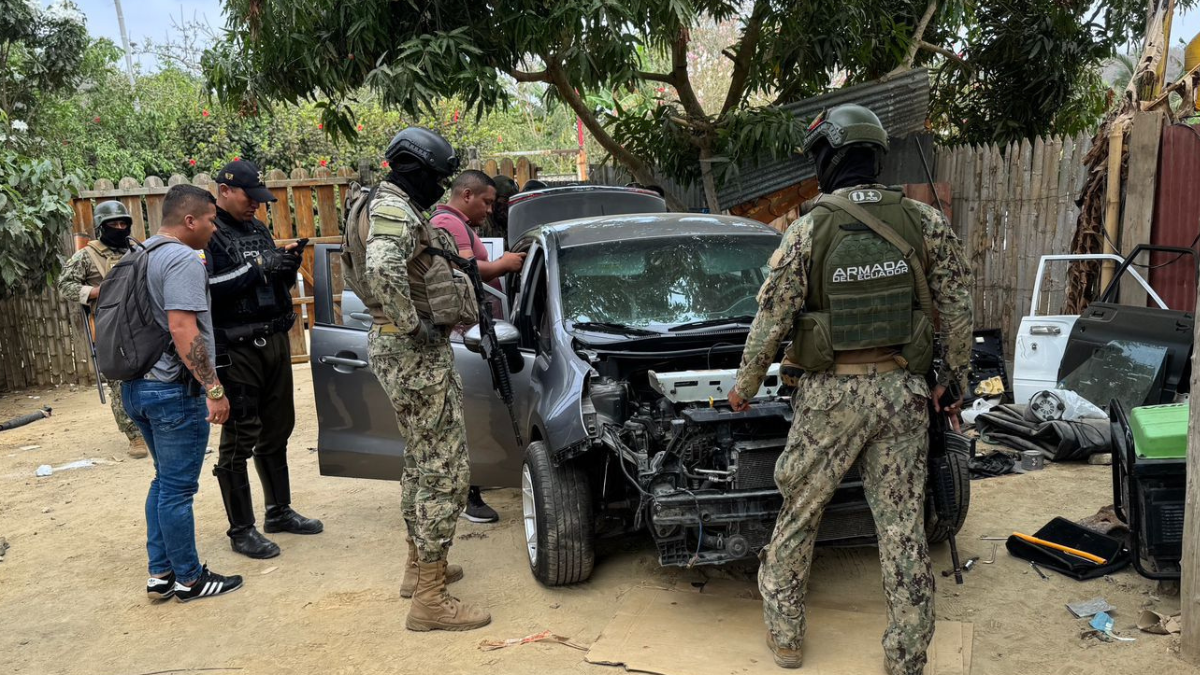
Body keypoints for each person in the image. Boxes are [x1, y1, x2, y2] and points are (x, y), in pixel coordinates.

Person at [728, 104, 973, 674]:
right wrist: (951, 381)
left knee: (800, 514)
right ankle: (907, 655)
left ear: (828, 158)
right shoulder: (924, 221)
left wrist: (746, 384)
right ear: (876, 156)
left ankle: (787, 638)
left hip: (830, 399)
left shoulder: (807, 228)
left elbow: (772, 320)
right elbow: (958, 306)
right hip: (902, 396)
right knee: (902, 529)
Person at [343, 127, 490, 631]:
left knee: (419, 459)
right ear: (420, 171)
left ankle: (418, 568)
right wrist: (415, 325)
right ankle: (430, 599)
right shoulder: (394, 209)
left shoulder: (374, 204)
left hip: (395, 349)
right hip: (412, 352)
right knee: (444, 470)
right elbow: (384, 267)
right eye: (439, 177)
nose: (440, 187)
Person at [123, 184, 243, 603]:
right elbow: (182, 328)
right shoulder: (181, 259)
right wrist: (213, 388)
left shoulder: (138, 256)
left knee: (164, 483)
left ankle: (161, 574)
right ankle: (190, 580)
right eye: (210, 220)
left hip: (136, 387)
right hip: (173, 391)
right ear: (189, 220)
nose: (214, 228)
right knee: (177, 490)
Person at [205, 160, 322, 560]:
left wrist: (283, 269)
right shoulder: (208, 231)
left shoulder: (256, 228)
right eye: (248, 198)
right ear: (224, 190)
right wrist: (258, 268)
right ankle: (241, 529)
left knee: (277, 429)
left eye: (259, 199)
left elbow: (266, 281)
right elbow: (207, 289)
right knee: (240, 437)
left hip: (273, 340)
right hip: (236, 349)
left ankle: (279, 511)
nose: (256, 205)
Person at [429, 170, 527, 524]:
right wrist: (504, 265)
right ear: (466, 194)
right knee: (470, 416)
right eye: (486, 202)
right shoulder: (451, 225)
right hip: (466, 336)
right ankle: (470, 494)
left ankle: (478, 480)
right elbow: (470, 270)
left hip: (473, 331)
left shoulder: (452, 222)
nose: (489, 209)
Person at [58, 200, 148, 459]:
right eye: (113, 224)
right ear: (101, 226)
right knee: (120, 382)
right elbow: (65, 284)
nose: (119, 228)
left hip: (142, 325)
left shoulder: (136, 248)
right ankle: (134, 435)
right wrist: (96, 292)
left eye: (123, 223)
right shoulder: (87, 255)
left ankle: (152, 424)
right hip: (109, 328)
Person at [479, 174, 517, 240]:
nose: (508, 204)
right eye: (505, 200)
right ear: (494, 199)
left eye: (512, 200)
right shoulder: (482, 223)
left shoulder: (510, 221)